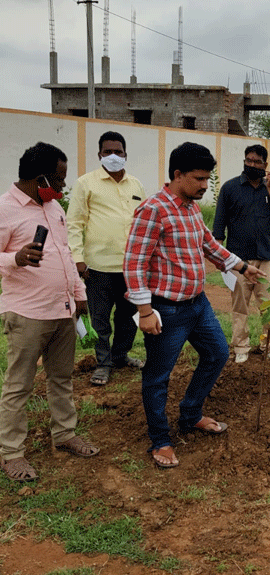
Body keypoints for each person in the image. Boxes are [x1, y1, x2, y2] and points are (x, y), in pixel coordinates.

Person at [124, 142, 264, 469]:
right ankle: (160, 439)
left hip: (197, 305)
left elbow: (208, 244)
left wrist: (241, 266)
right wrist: (145, 311)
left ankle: (190, 414)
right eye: (199, 179)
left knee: (216, 353)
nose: (205, 185)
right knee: (158, 376)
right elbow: (134, 263)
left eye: (207, 179)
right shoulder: (153, 210)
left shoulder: (190, 208)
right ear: (177, 174)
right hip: (166, 310)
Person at [0, 142, 100, 482]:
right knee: (19, 385)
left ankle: (65, 434)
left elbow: (66, 255)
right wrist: (14, 258)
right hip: (27, 313)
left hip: (63, 310)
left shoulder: (54, 210)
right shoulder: (5, 209)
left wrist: (79, 293)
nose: (61, 189)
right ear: (39, 177)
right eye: (57, 181)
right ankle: (12, 453)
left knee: (62, 378)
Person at [67, 131, 146, 386]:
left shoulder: (135, 185)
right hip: (98, 267)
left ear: (125, 154)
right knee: (100, 319)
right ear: (100, 154)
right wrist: (78, 259)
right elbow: (74, 224)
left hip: (131, 267)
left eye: (118, 152)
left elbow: (144, 222)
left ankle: (121, 355)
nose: (113, 156)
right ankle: (103, 363)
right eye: (107, 152)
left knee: (128, 316)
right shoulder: (86, 183)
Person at [213, 144, 270, 364]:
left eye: (257, 162)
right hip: (238, 260)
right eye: (248, 160)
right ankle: (240, 348)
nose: (252, 165)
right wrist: (221, 260)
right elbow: (219, 227)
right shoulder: (229, 188)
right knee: (240, 306)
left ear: (265, 165)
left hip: (266, 257)